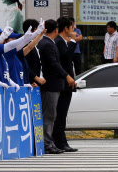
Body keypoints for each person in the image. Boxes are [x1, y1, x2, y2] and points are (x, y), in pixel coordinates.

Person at [38, 19, 76, 155]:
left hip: (54, 84)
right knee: (50, 115)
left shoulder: (49, 43)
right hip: (51, 85)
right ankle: (48, 144)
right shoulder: (48, 44)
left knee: (52, 115)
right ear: (56, 30)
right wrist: (66, 76)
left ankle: (50, 143)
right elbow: (54, 64)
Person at [52, 17, 78, 153]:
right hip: (62, 83)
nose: (73, 30)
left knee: (62, 114)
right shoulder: (59, 42)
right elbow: (66, 58)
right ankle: (60, 142)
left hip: (66, 82)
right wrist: (73, 41)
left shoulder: (62, 42)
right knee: (60, 114)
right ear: (66, 28)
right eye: (72, 27)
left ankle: (62, 141)